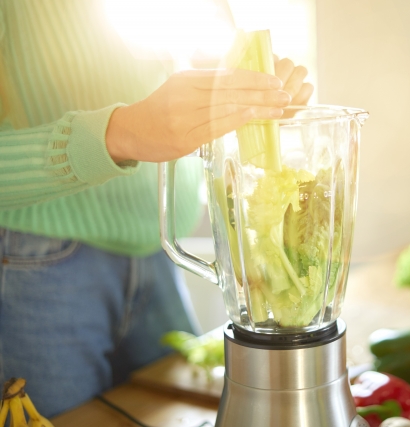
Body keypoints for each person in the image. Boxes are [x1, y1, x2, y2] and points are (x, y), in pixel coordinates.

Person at [0, 0, 313, 418]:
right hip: (37, 265)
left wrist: (241, 89)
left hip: (159, 247)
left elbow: (200, 43)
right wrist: (120, 133)